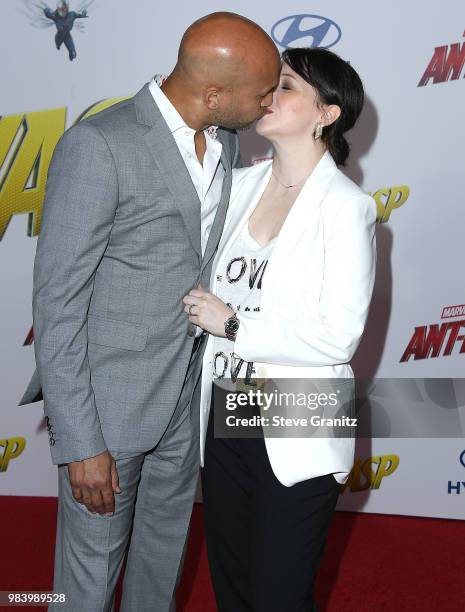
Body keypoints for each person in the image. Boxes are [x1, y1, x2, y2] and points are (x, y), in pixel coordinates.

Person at [20, 12, 280, 612]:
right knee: (86, 585)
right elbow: (57, 305)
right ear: (213, 93)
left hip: (184, 412)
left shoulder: (227, 141)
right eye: (261, 92)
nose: (268, 102)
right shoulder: (100, 144)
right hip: (107, 416)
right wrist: (79, 441)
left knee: (159, 572)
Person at [183, 47, 377, 611]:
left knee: (280, 592)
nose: (269, 97)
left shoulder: (346, 208)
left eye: (287, 87)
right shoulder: (235, 186)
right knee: (234, 584)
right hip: (224, 408)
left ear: (328, 113)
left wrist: (236, 324)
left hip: (301, 411)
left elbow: (339, 335)